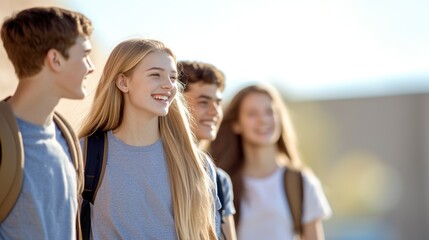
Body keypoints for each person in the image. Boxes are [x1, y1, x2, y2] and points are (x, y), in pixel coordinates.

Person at [78, 38, 218, 240]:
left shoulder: (196, 165)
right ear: (123, 82)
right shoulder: (84, 154)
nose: (168, 85)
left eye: (172, 77)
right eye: (155, 75)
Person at [0, 7, 94, 239]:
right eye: (84, 55)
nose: (91, 67)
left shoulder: (67, 137)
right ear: (55, 59)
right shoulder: (3, 140)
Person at [209, 84, 332, 240]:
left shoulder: (301, 182)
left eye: (269, 112)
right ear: (237, 124)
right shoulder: (221, 183)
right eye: (252, 114)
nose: (263, 120)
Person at [178, 61, 237, 240]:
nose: (215, 112)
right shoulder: (155, 166)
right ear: (176, 103)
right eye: (204, 102)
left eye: (218, 103)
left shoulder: (220, 181)